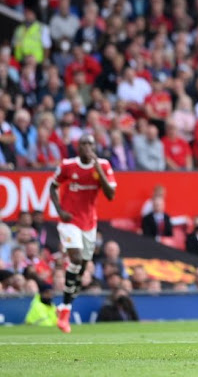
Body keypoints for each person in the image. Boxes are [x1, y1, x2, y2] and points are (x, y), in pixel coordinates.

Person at [50, 133, 116, 333]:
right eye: (83, 144)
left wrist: (98, 170)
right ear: (78, 148)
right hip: (70, 220)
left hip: (89, 223)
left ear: (95, 146)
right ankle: (66, 313)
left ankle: (64, 307)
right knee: (76, 259)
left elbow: (111, 195)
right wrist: (60, 210)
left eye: (90, 144)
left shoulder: (103, 165)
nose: (87, 147)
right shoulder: (68, 165)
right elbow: (53, 187)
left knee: (83, 268)